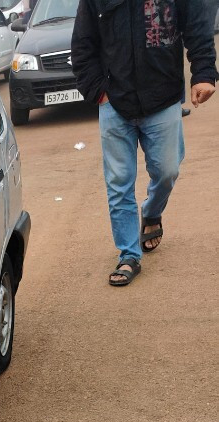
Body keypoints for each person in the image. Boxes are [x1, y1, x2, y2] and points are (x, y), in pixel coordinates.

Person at [72, 0, 216, 287]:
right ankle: (129, 255)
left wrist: (203, 73)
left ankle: (152, 213)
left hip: (162, 98)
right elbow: (82, 44)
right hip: (114, 102)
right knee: (119, 183)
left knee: (167, 171)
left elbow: (197, 25)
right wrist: (98, 91)